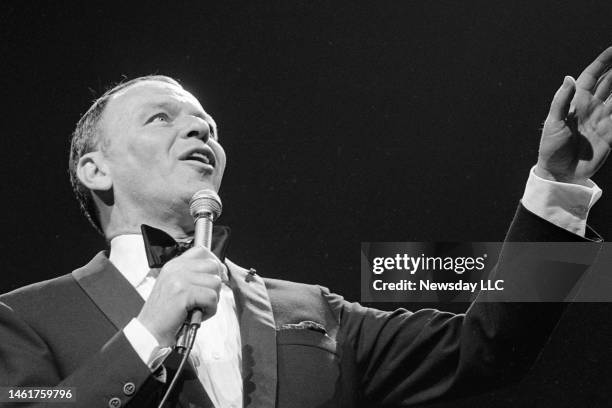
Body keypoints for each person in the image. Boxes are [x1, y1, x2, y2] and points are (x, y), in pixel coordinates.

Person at [1, 47, 611, 408]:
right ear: (94, 168)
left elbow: (490, 348)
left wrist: (557, 186)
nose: (199, 131)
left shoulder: (313, 310)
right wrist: (147, 331)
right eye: (161, 118)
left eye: (207, 125)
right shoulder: (24, 318)